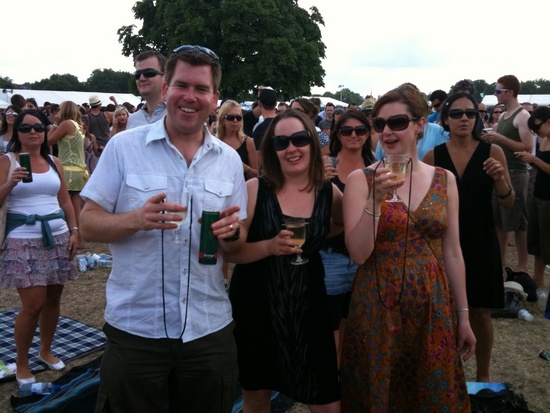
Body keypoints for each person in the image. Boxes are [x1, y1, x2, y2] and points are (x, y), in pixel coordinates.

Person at [79, 45, 246, 413]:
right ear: (167, 89)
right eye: (182, 85)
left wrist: (232, 232)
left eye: (201, 89)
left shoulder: (229, 161)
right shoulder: (124, 147)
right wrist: (135, 219)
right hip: (137, 328)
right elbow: (87, 223)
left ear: (214, 98)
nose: (190, 96)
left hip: (207, 328)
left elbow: (237, 243)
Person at [340, 83, 475, 412]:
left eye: (397, 122)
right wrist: (374, 200)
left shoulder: (444, 179)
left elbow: (452, 251)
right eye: (379, 123)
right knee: (380, 393)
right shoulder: (361, 180)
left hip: (432, 303)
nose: (387, 131)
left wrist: (463, 316)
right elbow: (358, 254)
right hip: (377, 304)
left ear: (419, 125)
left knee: (430, 391)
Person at [226, 108, 343, 412]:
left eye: (300, 139)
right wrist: (269, 246)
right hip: (257, 306)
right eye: (281, 142)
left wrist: (318, 234)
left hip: (309, 306)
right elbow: (233, 252)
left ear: (312, 143)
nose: (291, 148)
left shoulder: (329, 192)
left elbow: (341, 224)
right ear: (272, 150)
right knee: (256, 397)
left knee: (327, 401)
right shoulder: (255, 189)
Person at [424, 92, 513, 382]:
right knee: (444, 312)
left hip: (481, 238)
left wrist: (500, 179)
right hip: (444, 241)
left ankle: (483, 377)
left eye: (471, 113)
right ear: (445, 119)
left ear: (478, 117)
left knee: (480, 312)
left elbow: (508, 202)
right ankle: (447, 376)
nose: (464, 118)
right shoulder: (433, 156)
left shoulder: (492, 152)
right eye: (457, 113)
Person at [0, 109, 79, 384]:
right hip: (22, 239)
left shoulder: (54, 161)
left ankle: (45, 350)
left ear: (46, 131)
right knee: (33, 304)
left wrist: (75, 230)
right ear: (17, 132)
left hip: (58, 236)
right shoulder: (7, 161)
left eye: (38, 127)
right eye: (25, 128)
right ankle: (22, 363)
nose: (32, 132)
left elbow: (65, 200)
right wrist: (10, 182)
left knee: (53, 300)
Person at [321, 110, 374, 368]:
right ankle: (332, 377)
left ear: (368, 134)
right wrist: (318, 183)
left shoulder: (378, 167)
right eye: (346, 130)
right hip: (330, 255)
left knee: (356, 323)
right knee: (329, 323)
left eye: (360, 130)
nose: (353, 135)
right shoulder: (325, 165)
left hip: (366, 258)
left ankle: (349, 376)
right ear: (337, 135)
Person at [483, 75, 534, 275]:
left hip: (517, 172)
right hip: (501, 172)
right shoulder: (504, 115)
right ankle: (501, 261)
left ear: (510, 92)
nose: (495, 94)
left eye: (498, 91)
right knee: (499, 221)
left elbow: (527, 146)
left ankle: (522, 267)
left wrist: (499, 138)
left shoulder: (522, 116)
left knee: (520, 222)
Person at [515, 106, 550, 289]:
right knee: (537, 240)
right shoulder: (544, 141)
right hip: (539, 194)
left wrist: (534, 160)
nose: (536, 132)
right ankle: (538, 278)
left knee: (547, 239)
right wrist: (530, 160)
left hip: (548, 199)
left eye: (537, 127)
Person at [47, 101, 87, 239]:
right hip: (79, 170)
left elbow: (48, 141)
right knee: (76, 206)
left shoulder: (66, 124)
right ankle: (79, 237)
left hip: (67, 170)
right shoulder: (79, 125)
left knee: (64, 204)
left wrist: (55, 124)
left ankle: (68, 234)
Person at [216, 99, 259, 180]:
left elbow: (256, 175)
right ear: (222, 119)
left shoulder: (247, 142)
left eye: (238, 118)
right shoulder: (215, 142)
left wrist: (245, 168)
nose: (235, 120)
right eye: (230, 118)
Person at [127, 50, 167, 129]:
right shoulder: (132, 120)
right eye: (137, 75)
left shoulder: (179, 115)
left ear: (166, 77)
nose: (141, 78)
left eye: (149, 73)